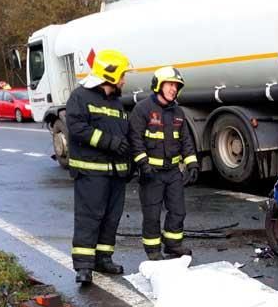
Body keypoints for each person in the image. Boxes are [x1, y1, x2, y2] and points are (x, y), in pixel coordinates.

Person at [66, 49, 132, 285]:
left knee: (111, 218)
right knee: (89, 218)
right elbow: (76, 128)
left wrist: (129, 164)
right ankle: (83, 266)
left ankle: (103, 258)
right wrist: (109, 142)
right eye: (122, 75)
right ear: (110, 75)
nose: (124, 80)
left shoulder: (116, 102)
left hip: (114, 172)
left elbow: (123, 135)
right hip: (91, 170)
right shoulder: (80, 97)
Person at [129, 66, 198, 261]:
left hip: (173, 172)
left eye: (176, 86)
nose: (173, 89)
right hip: (151, 172)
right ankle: (152, 250)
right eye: (169, 84)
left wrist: (192, 164)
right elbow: (135, 140)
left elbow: (185, 141)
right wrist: (143, 165)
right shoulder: (142, 109)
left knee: (178, 210)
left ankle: (173, 245)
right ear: (158, 85)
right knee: (152, 213)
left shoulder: (178, 112)